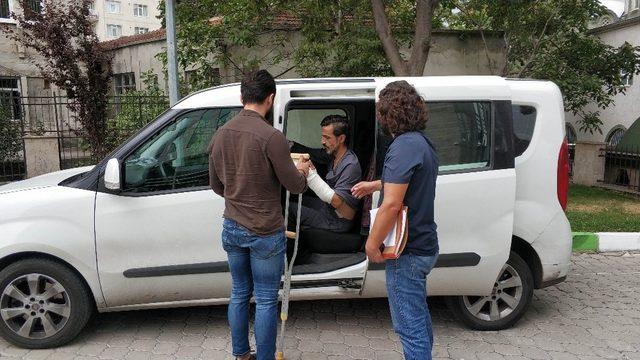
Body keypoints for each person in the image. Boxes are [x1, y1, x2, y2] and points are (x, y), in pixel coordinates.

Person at [209, 70, 311, 360]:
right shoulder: (272, 137)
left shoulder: (220, 134)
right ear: (271, 98)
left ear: (242, 97)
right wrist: (302, 172)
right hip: (265, 230)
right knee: (266, 299)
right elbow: (294, 185)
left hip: (232, 227)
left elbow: (216, 185)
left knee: (240, 292)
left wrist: (238, 197)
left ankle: (241, 354)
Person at [351, 80, 439, 360]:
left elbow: (391, 205)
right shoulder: (422, 143)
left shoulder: (402, 147)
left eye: (381, 113)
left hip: (406, 252)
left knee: (409, 327)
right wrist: (374, 184)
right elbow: (407, 183)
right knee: (419, 319)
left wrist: (371, 244)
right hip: (424, 245)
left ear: (388, 114)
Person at [289, 115, 362, 234]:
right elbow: (313, 153)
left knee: (288, 209)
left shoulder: (350, 165)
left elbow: (337, 201)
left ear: (341, 138)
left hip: (338, 220)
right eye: (322, 136)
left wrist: (311, 176)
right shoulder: (334, 156)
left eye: (327, 138)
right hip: (328, 209)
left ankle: (292, 250)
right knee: (294, 199)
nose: (322, 141)